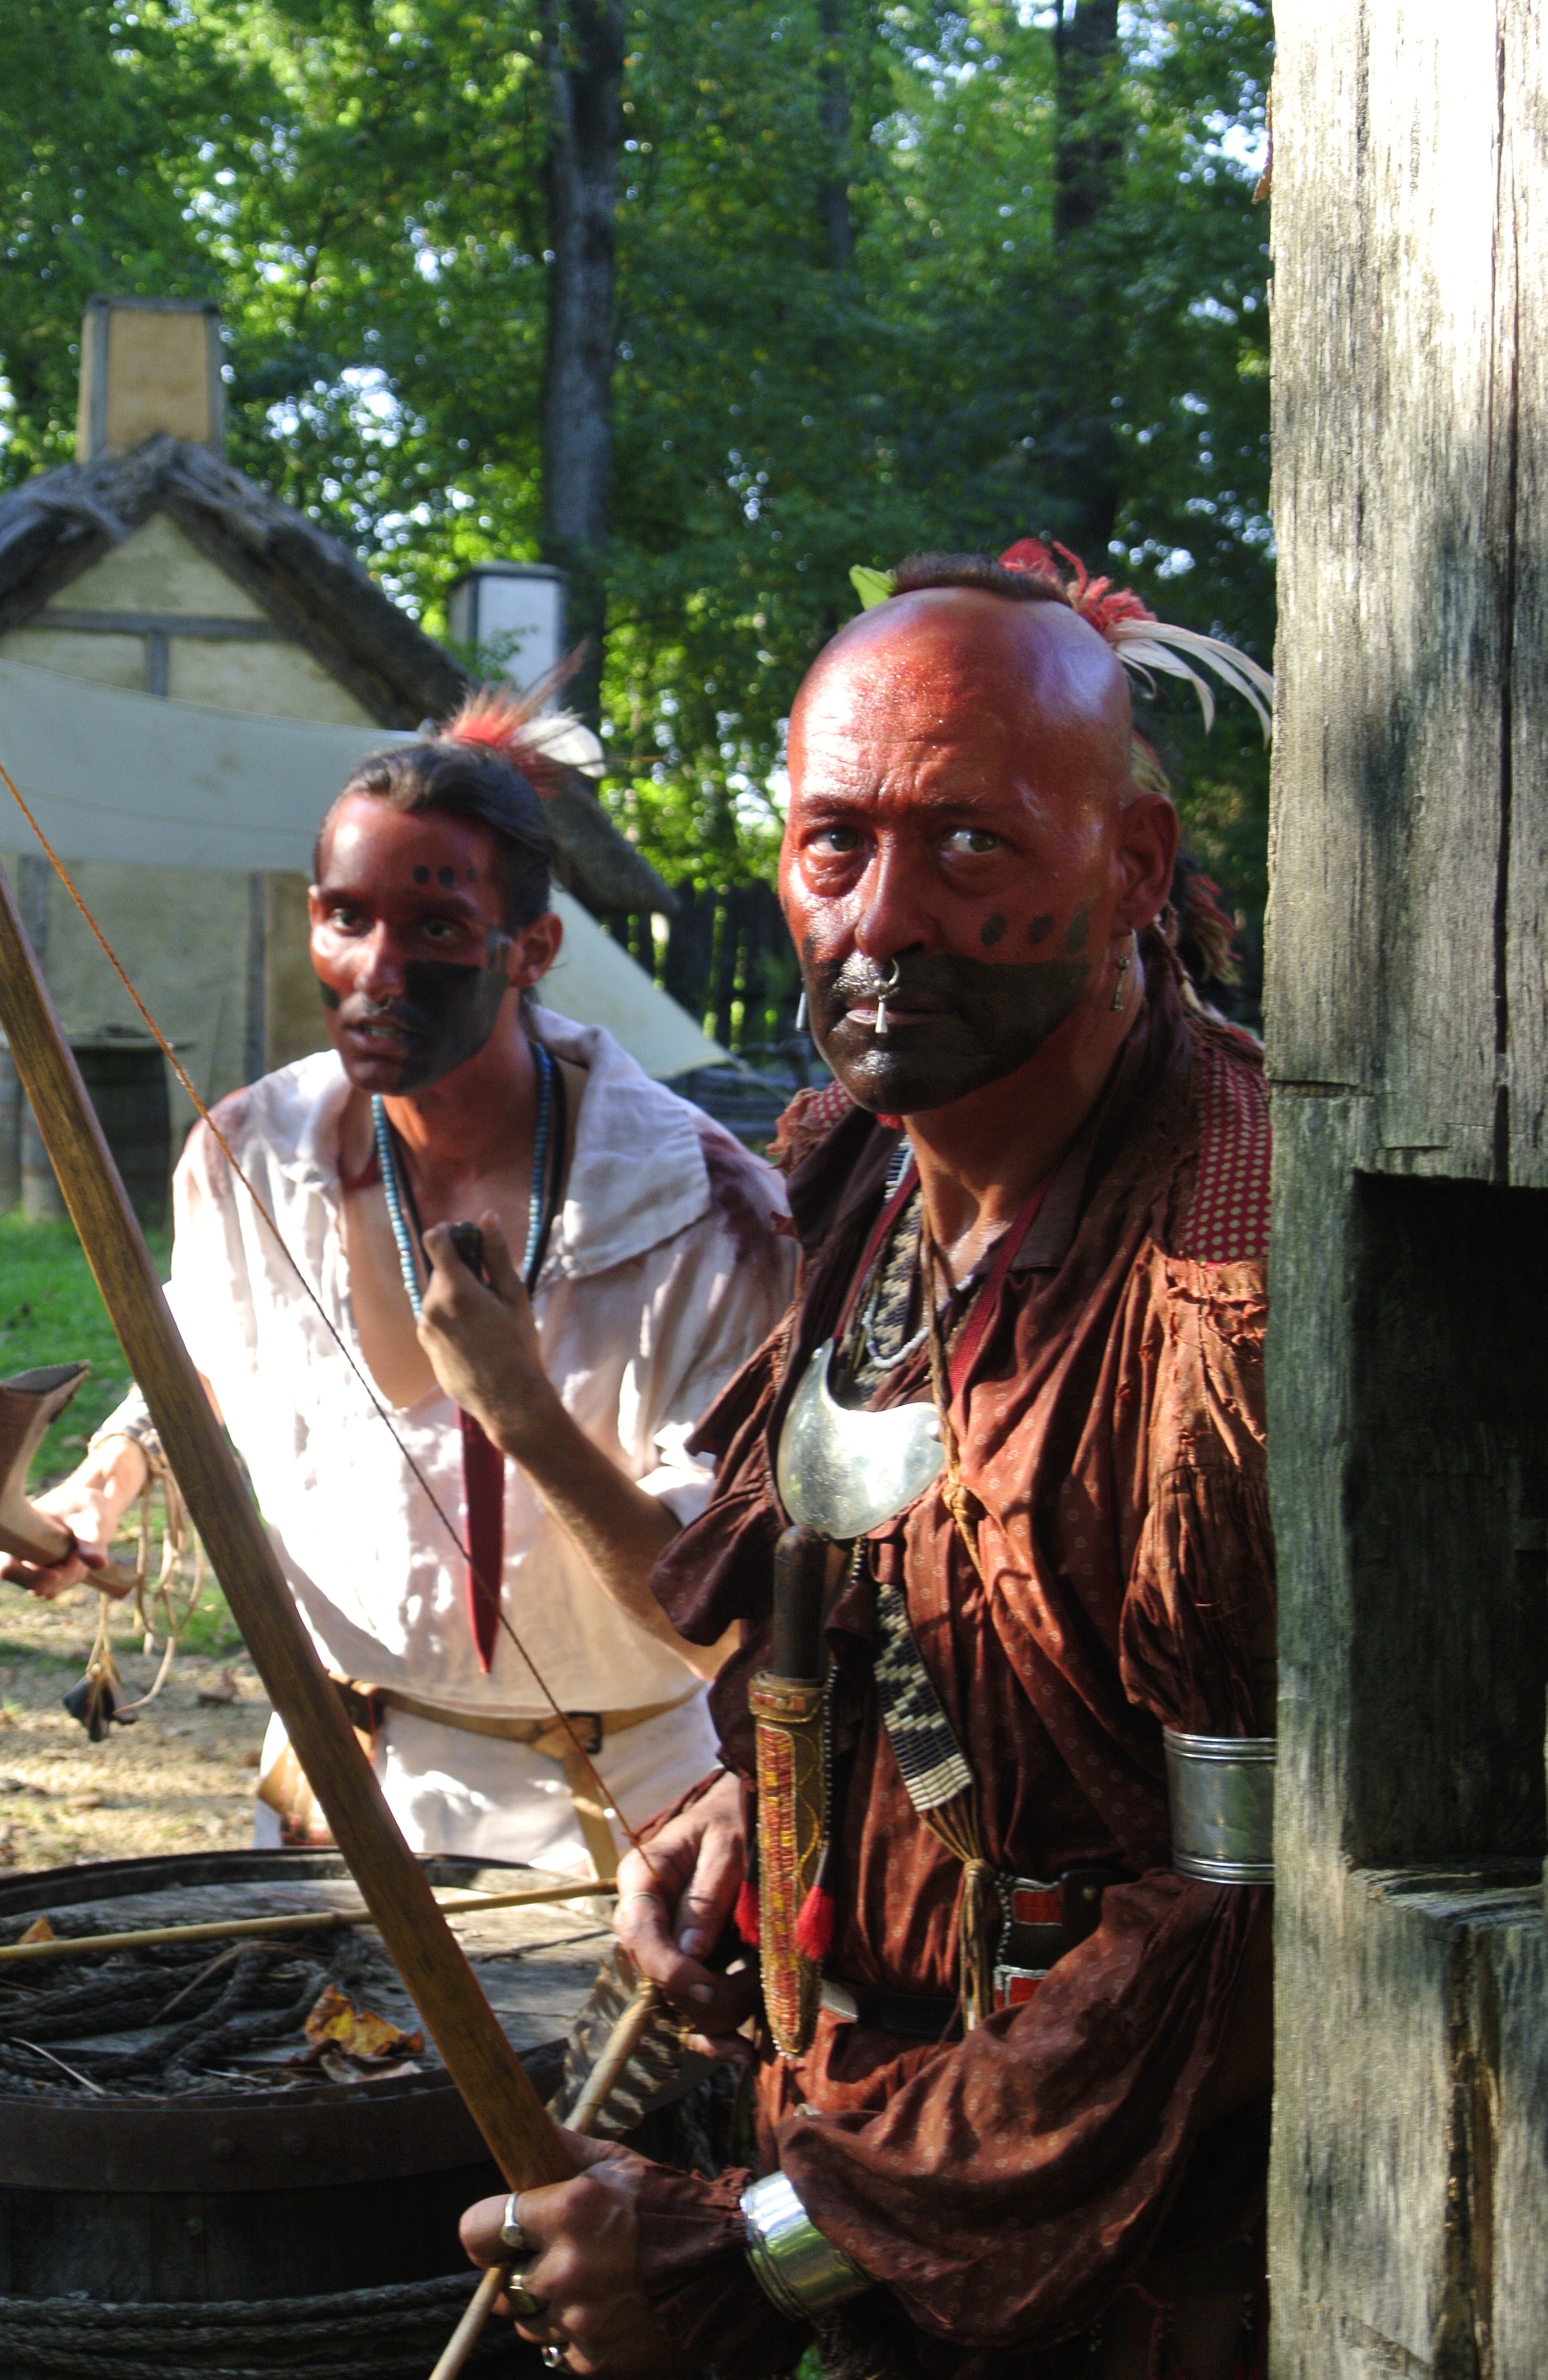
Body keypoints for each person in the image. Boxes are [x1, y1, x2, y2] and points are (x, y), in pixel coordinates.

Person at [453, 542, 1277, 2377]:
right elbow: (897, 1591)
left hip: (1135, 2278)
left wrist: (773, 2251)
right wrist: (761, 1804)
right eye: (838, 844)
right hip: (862, 2143)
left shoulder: (1230, 1272)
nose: (884, 915)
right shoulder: (857, 1170)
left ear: (1129, 868)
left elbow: (1255, 1928)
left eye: (969, 845)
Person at [0, 696, 795, 1878]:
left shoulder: (711, 1217)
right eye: (346, 917)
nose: (376, 970)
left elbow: (718, 1617)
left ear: (530, 948)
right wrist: (102, 1486)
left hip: (623, 1821)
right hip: (339, 1785)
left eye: (433, 925)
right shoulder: (248, 1150)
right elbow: (216, 1341)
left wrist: (520, 1409)